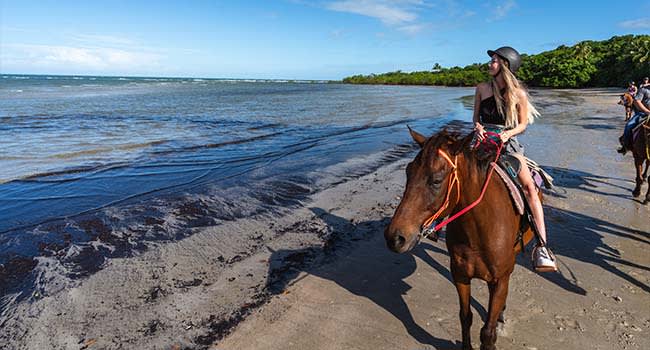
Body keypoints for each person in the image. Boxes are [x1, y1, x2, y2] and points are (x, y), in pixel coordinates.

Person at [472, 46, 557, 272]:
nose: (489, 64)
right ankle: (435, 224)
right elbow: (475, 119)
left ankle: (542, 247)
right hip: (482, 139)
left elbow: (522, 124)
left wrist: (508, 133)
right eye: (491, 60)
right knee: (451, 170)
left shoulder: (518, 94)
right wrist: (478, 127)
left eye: (494, 61)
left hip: (507, 142)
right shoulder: (481, 88)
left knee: (529, 187)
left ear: (505, 65)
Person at [618, 85, 650, 154]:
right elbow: (637, 101)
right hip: (643, 113)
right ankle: (625, 146)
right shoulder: (643, 90)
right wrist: (647, 111)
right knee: (629, 126)